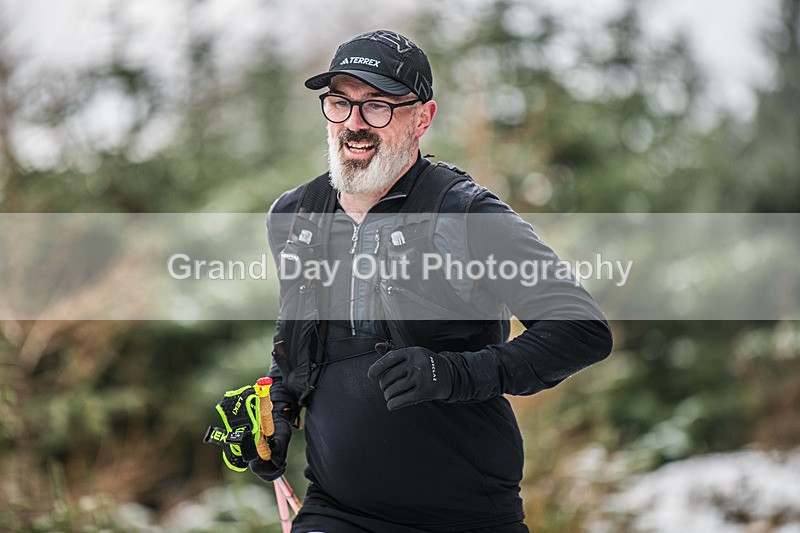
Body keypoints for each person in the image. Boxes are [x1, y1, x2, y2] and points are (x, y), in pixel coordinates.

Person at [250, 30, 613, 533]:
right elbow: (298, 342)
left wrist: (453, 373)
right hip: (337, 510)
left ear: (423, 118)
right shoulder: (296, 215)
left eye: (377, 106)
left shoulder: (467, 214)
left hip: (466, 516)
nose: (353, 123)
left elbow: (582, 331)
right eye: (340, 103)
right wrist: (278, 409)